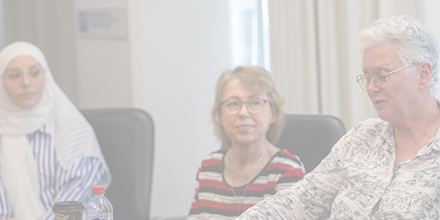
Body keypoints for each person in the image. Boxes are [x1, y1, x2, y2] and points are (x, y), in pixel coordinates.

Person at [236, 15, 440, 219]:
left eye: (382, 75)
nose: (370, 88)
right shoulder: (364, 136)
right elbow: (300, 201)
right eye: (367, 77)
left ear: (423, 74)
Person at [0, 41, 111, 219]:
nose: (26, 83)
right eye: (14, 76)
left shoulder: (74, 131)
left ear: (46, 76)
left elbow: (69, 210)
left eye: (35, 73)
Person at [187, 66, 306, 219]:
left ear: (273, 114)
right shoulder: (209, 167)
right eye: (233, 104)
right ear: (220, 114)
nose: (243, 113)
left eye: (255, 102)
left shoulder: (287, 172)